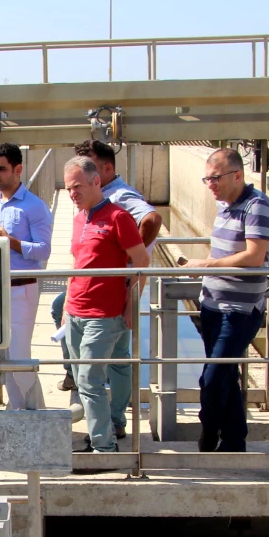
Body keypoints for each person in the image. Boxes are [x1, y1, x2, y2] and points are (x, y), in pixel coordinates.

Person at [52, 140, 164, 437]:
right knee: (93, 373)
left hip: (107, 308)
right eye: (68, 188)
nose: (73, 193)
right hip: (78, 307)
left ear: (97, 179)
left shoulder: (118, 213)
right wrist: (65, 308)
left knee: (94, 378)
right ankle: (110, 427)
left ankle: (103, 442)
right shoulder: (79, 218)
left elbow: (143, 257)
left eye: (78, 186)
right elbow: (76, 262)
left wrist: (129, 297)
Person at [183, 148, 269, 452]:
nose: (210, 184)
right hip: (212, 306)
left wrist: (206, 265)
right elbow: (225, 251)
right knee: (226, 377)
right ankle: (234, 441)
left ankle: (209, 435)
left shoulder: (256, 205)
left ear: (237, 175)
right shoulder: (225, 204)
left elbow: (254, 256)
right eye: (207, 178)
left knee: (212, 379)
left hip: (239, 311)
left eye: (216, 178)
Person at [0, 142, 53, 410]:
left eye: (1, 168)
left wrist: (8, 240)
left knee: (20, 354)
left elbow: (44, 250)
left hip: (22, 288)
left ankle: (36, 412)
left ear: (18, 169)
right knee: (3, 355)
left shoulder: (34, 207)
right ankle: (18, 410)